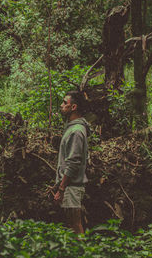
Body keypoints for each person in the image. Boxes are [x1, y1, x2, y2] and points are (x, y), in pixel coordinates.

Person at [54, 90, 89, 234]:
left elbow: (73, 162)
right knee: (71, 226)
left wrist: (61, 188)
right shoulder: (73, 128)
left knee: (75, 226)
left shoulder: (76, 131)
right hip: (69, 186)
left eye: (64, 102)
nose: (61, 105)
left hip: (72, 187)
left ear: (73, 107)